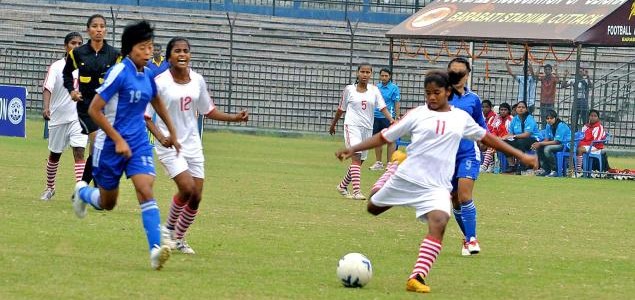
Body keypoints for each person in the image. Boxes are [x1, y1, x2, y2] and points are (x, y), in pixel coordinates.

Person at [335, 70, 537, 294]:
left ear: (448, 92)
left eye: (436, 93)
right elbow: (384, 136)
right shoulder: (417, 114)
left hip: (437, 186)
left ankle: (417, 277)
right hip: (407, 176)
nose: (431, 97)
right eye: (428, 93)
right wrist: (353, 148)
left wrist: (521, 156)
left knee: (440, 221)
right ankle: (392, 168)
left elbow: (488, 138)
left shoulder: (460, 118)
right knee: (373, 207)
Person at [70, 21, 180, 270]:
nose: (148, 51)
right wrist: (118, 139)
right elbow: (94, 109)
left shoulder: (148, 73)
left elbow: (157, 100)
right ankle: (83, 193)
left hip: (138, 143)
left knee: (146, 189)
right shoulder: (119, 72)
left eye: (150, 46)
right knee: (108, 203)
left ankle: (155, 251)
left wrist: (171, 132)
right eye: (143, 47)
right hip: (110, 145)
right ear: (131, 49)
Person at [144, 37, 249, 255]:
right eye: (177, 51)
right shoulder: (159, 82)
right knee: (187, 188)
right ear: (169, 56)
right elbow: (146, 116)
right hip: (170, 145)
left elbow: (208, 110)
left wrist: (234, 118)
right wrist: (161, 138)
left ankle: (179, 238)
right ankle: (168, 230)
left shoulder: (197, 80)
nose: (182, 55)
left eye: (185, 51)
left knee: (197, 196)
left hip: (192, 144)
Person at [63, 14, 120, 186]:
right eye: (95, 26)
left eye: (102, 26)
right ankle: (96, 187)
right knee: (97, 141)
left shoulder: (114, 54)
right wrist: (72, 91)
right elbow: (66, 73)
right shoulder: (78, 53)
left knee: (99, 148)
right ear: (88, 30)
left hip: (106, 107)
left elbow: (120, 78)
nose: (99, 29)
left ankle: (83, 186)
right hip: (86, 106)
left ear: (106, 30)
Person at [329, 62, 395, 200]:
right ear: (357, 73)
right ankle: (357, 191)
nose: (365, 75)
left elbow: (382, 107)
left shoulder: (374, 90)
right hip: (352, 126)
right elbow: (341, 108)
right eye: (362, 72)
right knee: (356, 157)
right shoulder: (349, 89)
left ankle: (342, 186)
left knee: (360, 161)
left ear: (371, 74)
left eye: (368, 72)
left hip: (367, 128)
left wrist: (391, 120)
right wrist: (333, 124)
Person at [40, 32, 88, 201]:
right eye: (73, 43)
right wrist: (46, 107)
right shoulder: (57, 67)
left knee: (79, 152)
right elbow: (48, 88)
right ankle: (50, 187)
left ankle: (80, 192)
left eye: (79, 43)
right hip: (58, 117)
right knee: (54, 155)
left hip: (78, 117)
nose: (76, 46)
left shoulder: (86, 66)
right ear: (65, 46)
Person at [447, 57, 487, 256]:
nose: (457, 76)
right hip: (445, 157)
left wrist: (484, 139)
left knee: (464, 195)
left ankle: (472, 240)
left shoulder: (474, 99)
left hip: (468, 153)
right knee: (454, 200)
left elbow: (481, 124)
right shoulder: (440, 96)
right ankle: (468, 238)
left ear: (467, 74)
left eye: (461, 72)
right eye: (453, 72)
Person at [369, 68, 400, 171]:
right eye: (382, 76)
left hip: (388, 117)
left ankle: (389, 163)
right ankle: (378, 162)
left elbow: (396, 102)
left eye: (386, 76)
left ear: (390, 76)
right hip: (376, 116)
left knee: (390, 140)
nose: (384, 78)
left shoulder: (394, 88)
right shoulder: (376, 87)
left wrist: (397, 116)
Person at [502, 101, 540, 173]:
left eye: (523, 107)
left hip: (533, 139)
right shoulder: (514, 119)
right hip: (519, 139)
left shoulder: (529, 119)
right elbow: (510, 133)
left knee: (520, 142)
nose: (521, 109)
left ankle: (522, 165)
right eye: (519, 107)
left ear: (526, 109)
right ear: (516, 109)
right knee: (504, 143)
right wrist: (504, 138)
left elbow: (527, 134)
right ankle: (511, 165)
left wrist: (514, 136)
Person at [531, 110, 571, 177]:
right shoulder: (548, 125)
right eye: (547, 118)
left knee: (547, 148)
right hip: (556, 144)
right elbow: (546, 139)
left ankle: (555, 170)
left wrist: (540, 143)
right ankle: (546, 170)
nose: (549, 120)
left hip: (565, 145)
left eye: (551, 118)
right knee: (539, 148)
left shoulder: (561, 125)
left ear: (555, 118)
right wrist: (537, 144)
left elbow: (557, 141)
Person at [480, 102, 512, 173]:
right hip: (497, 139)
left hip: (507, 139)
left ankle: (485, 166)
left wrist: (498, 139)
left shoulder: (511, 119)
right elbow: (493, 130)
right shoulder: (497, 119)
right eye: (501, 110)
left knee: (491, 144)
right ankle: (491, 165)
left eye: (505, 110)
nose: (503, 111)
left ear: (508, 111)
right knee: (483, 143)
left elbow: (510, 133)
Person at [574, 109, 606, 177]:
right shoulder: (586, 126)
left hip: (596, 147)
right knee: (572, 148)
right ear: (589, 117)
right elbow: (581, 136)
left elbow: (596, 140)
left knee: (580, 149)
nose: (593, 117)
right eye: (591, 116)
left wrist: (583, 143)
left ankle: (579, 170)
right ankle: (572, 168)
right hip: (586, 145)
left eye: (595, 116)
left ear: (598, 118)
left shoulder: (599, 127)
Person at [561, 66, 592, 131]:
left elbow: (591, 86)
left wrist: (588, 77)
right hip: (576, 100)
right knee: (574, 119)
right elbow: (563, 86)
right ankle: (574, 133)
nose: (580, 73)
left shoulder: (585, 80)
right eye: (579, 71)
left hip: (583, 101)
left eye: (581, 71)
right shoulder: (573, 80)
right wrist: (564, 77)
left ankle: (585, 133)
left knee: (585, 119)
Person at [537, 64, 559, 128]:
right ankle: (544, 131)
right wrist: (538, 67)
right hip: (543, 101)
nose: (547, 71)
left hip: (550, 102)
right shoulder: (543, 77)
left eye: (549, 69)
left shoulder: (553, 78)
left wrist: (556, 70)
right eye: (546, 69)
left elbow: (558, 80)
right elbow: (535, 77)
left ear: (551, 70)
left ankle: (552, 131)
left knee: (552, 118)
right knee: (543, 119)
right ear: (544, 70)